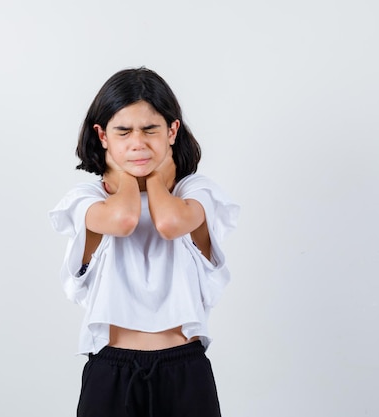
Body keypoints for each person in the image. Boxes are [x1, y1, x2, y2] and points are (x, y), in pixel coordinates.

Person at [48, 67, 240, 417]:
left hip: (183, 368)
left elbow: (169, 223)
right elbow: (122, 221)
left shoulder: (195, 194)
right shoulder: (86, 199)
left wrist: (156, 176)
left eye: (150, 130)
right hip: (111, 369)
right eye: (124, 131)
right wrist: (128, 176)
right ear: (102, 135)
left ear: (172, 131)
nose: (138, 142)